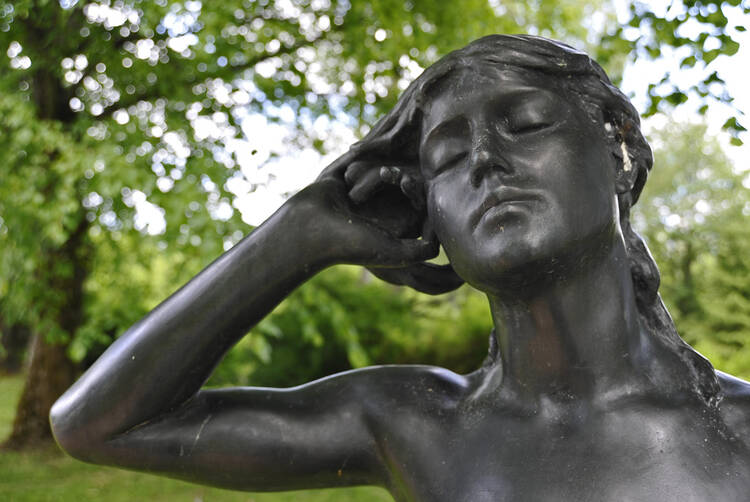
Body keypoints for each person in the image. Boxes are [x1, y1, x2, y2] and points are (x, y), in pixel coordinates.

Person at [50, 35, 750, 501]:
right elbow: (98, 426)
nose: (484, 161)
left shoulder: (739, 431)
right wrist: (296, 235)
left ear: (619, 152)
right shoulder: (411, 422)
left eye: (526, 124)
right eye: (447, 156)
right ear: (431, 215)